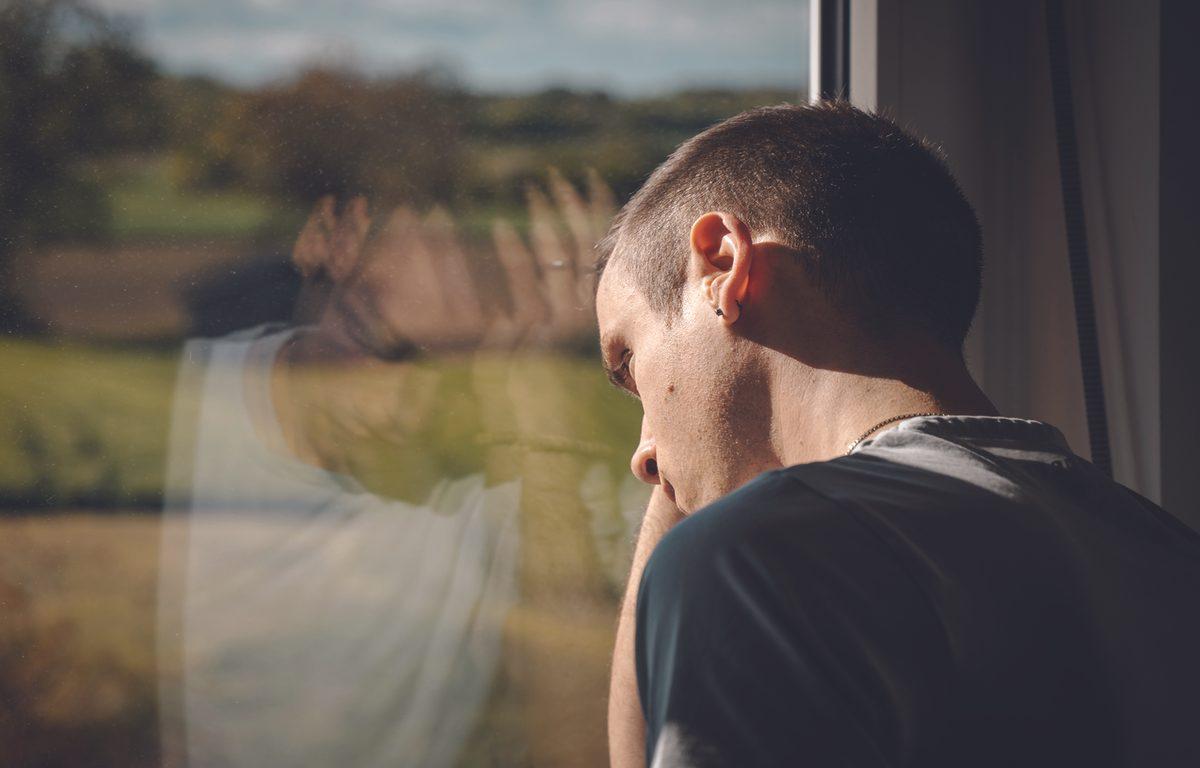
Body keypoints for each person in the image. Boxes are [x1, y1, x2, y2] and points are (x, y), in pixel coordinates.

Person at [598, 102, 1200, 767]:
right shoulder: (1160, 547)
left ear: (722, 263)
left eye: (628, 362)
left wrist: (700, 516)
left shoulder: (763, 559)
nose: (642, 453)